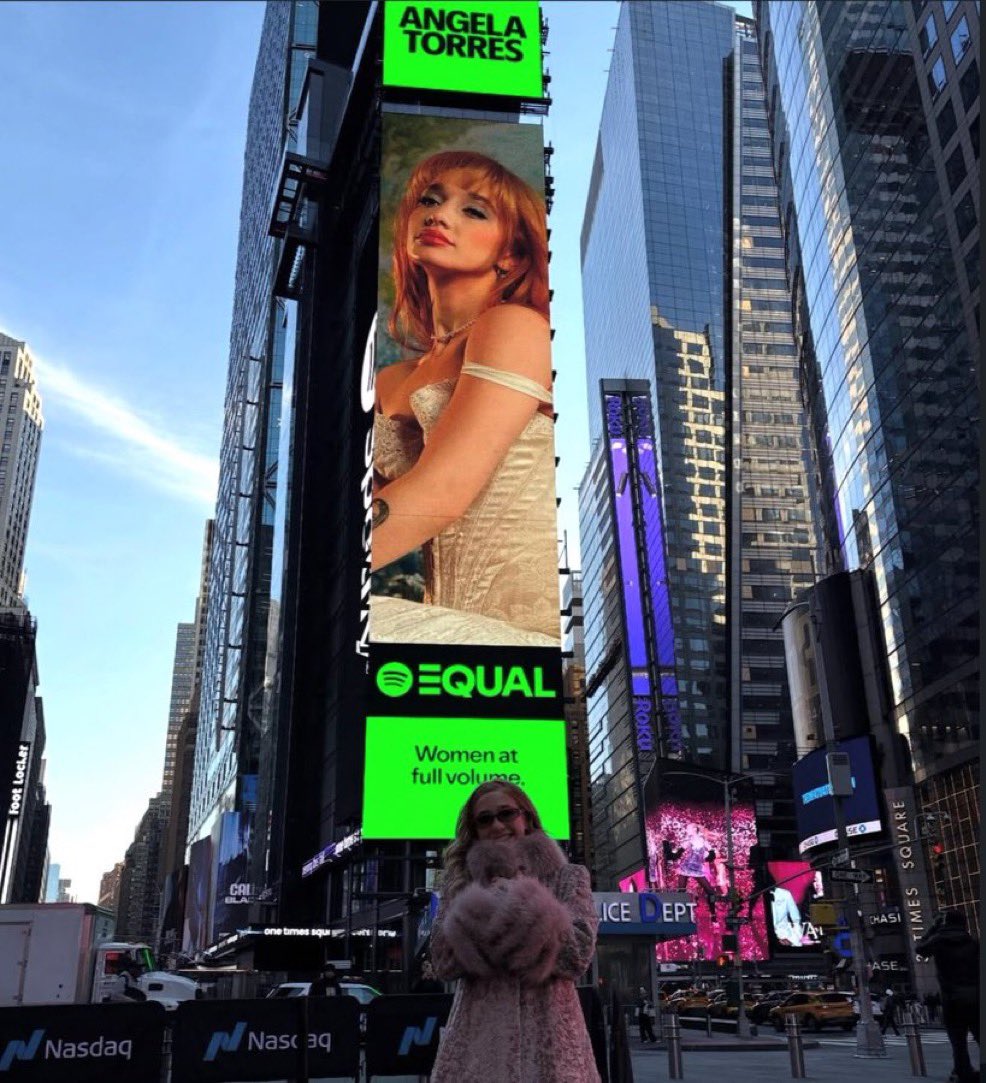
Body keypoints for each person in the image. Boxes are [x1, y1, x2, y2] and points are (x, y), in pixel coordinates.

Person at [371, 150, 558, 647]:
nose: (438, 215)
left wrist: (315, 576)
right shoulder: (392, 380)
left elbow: (443, 490)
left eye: (473, 211)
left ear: (511, 255)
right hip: (446, 626)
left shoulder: (516, 326)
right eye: (430, 201)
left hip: (521, 635)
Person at [428, 781, 600, 1081]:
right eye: (484, 819)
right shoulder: (459, 883)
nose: (497, 825)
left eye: (506, 813)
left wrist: (515, 903)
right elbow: (444, 963)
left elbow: (577, 956)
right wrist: (483, 907)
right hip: (477, 1046)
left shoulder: (569, 877)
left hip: (552, 1048)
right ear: (475, 830)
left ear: (527, 818)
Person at [915, 911, 980, 1083]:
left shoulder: (939, 941)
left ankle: (964, 1072)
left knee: (958, 1041)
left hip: (952, 998)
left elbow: (920, 948)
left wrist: (932, 929)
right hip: (975, 996)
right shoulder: (972, 943)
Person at [666, 823, 719, 920]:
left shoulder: (703, 841)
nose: (686, 830)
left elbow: (711, 854)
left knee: (710, 892)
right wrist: (668, 850)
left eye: (688, 828)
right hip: (686, 868)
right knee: (681, 891)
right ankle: (679, 915)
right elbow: (677, 854)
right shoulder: (688, 841)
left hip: (697, 869)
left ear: (694, 829)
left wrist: (709, 855)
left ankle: (713, 915)